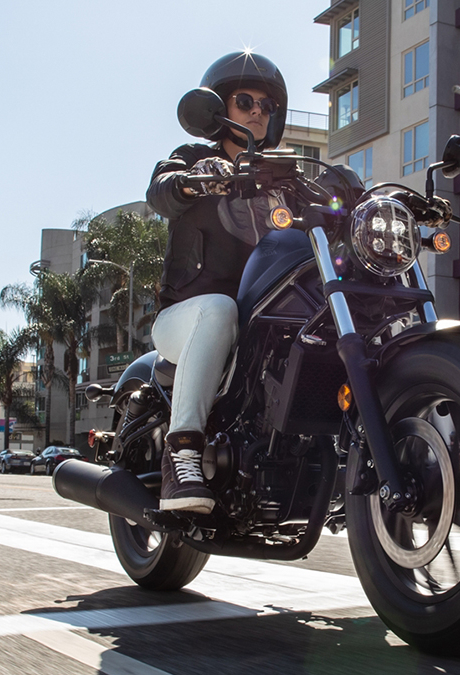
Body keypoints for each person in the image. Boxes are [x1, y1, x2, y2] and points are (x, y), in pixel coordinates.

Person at [145, 52, 291, 514]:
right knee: (219, 308)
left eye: (267, 106)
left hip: (253, 325)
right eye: (244, 100)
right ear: (218, 110)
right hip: (185, 317)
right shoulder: (195, 159)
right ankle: (182, 452)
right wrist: (190, 182)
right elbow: (161, 191)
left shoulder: (281, 182)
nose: (256, 111)